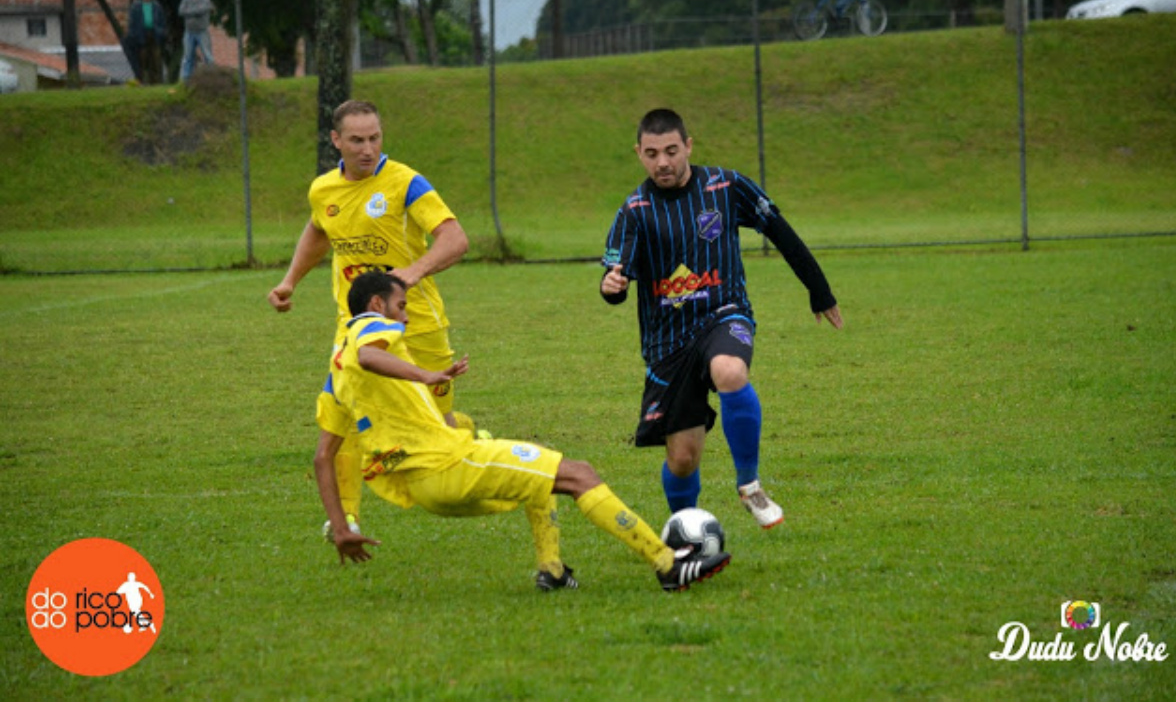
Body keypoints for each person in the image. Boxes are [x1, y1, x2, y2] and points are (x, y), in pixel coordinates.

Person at [317, 271, 732, 592]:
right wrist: (426, 374)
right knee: (579, 474)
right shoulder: (367, 328)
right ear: (376, 303)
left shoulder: (337, 374)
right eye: (401, 305)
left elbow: (324, 457)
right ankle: (668, 566)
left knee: (539, 476)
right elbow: (372, 355)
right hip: (449, 464)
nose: (406, 315)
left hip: (427, 485)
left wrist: (340, 527)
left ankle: (551, 570)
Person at [600, 108, 843, 529]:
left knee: (729, 371)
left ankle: (750, 486)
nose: (664, 162)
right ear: (639, 154)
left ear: (689, 146)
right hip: (667, 343)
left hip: (723, 314)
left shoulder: (725, 187)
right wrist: (612, 286)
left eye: (672, 151)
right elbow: (615, 274)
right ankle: (686, 531)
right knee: (682, 459)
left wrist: (818, 290)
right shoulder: (635, 210)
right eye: (653, 153)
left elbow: (780, 232)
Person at [268, 99, 480, 540]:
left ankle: (470, 441)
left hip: (417, 324)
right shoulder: (323, 190)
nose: (368, 149)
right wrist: (290, 280)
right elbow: (318, 230)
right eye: (357, 140)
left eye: (375, 138)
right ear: (336, 141)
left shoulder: (406, 182)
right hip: (355, 327)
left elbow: (455, 239)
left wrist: (409, 274)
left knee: (438, 430)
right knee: (342, 419)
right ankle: (344, 518)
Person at [126, 0, 167, 84]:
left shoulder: (157, 6)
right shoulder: (136, 7)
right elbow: (132, 23)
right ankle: (144, 83)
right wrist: (134, 37)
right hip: (141, 37)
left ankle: (157, 83)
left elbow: (162, 22)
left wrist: (161, 32)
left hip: (154, 35)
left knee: (156, 61)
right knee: (143, 62)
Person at [178, 0, 215, 82]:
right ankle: (185, 79)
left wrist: (190, 12)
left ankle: (212, 76)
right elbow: (181, 11)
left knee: (207, 55)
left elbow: (203, 10)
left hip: (202, 31)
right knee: (187, 56)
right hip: (189, 31)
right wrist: (194, 12)